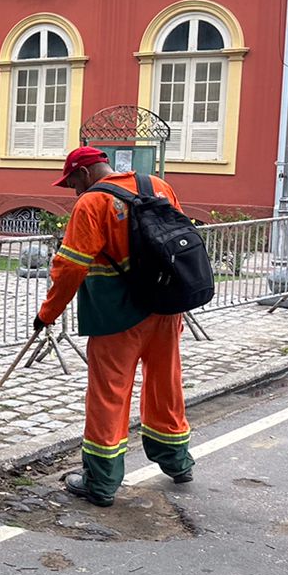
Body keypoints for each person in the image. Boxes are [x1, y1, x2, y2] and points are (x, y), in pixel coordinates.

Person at [34, 146, 195, 507]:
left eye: (72, 182)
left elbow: (71, 267)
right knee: (165, 386)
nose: (73, 191)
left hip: (116, 315)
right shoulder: (157, 186)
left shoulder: (92, 203)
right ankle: (178, 462)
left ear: (85, 172)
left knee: (109, 394)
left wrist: (47, 313)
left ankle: (101, 482)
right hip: (166, 310)